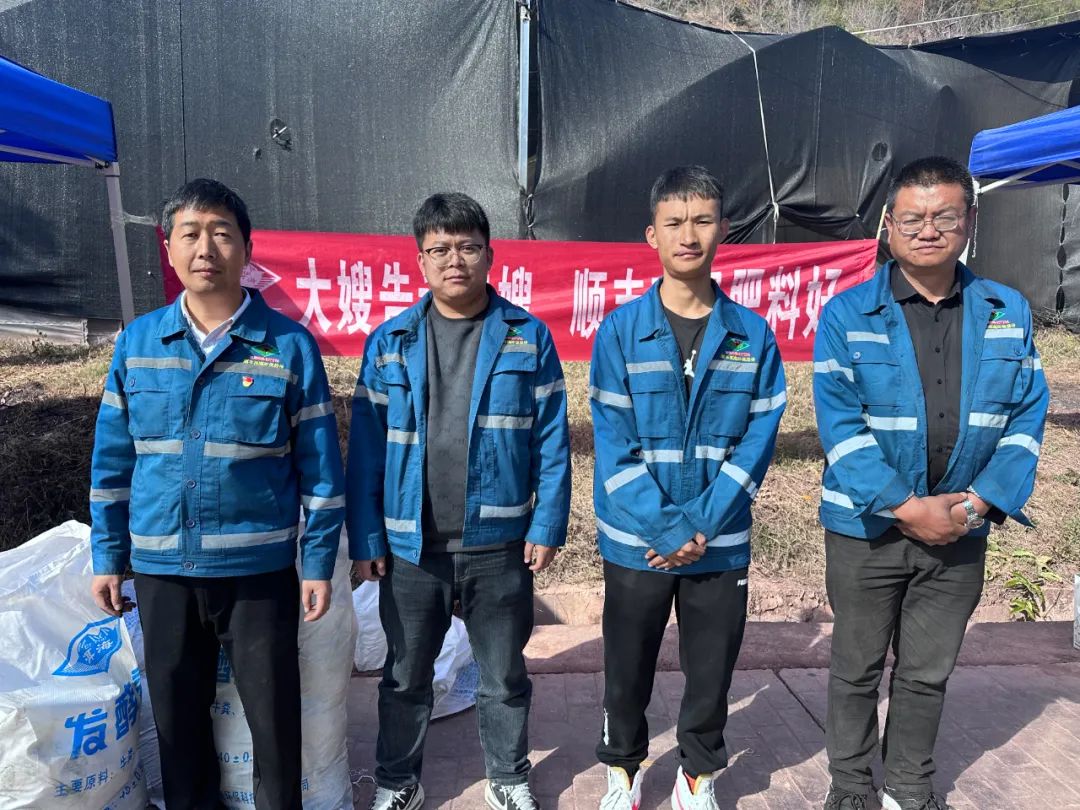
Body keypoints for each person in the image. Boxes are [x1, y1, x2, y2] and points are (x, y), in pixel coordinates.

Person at [89, 178, 345, 809]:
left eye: (222, 234)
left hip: (258, 572)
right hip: (162, 569)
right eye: (191, 234)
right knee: (177, 724)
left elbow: (320, 469)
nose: (206, 249)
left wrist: (316, 564)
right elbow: (112, 461)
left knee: (275, 723)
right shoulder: (138, 344)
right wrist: (108, 555)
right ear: (169, 249)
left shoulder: (288, 346)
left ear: (247, 250)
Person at [814, 156, 1049, 810]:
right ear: (888, 226)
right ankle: (850, 789)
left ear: (969, 222)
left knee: (926, 672)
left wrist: (978, 504)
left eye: (944, 216)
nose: (928, 230)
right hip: (866, 530)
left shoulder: (1006, 311)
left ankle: (909, 789)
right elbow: (840, 425)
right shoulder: (848, 314)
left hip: (961, 528)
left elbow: (1026, 417)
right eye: (912, 218)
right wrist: (906, 506)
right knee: (856, 670)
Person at [346, 192, 571, 810]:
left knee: (503, 675)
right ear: (420, 261)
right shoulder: (389, 342)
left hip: (498, 544)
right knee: (404, 676)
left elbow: (552, 441)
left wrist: (547, 522)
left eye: (468, 247)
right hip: (411, 546)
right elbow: (365, 451)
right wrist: (367, 538)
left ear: (490, 255)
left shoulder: (527, 337)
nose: (455, 260)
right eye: (439, 249)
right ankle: (397, 782)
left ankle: (509, 777)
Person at [589, 166, 787, 810]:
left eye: (702, 220)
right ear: (652, 234)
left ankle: (697, 776)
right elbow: (613, 444)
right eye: (673, 222)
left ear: (723, 229)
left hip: (718, 543)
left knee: (711, 671)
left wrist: (699, 525)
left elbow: (757, 441)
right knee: (627, 668)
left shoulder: (752, 335)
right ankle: (623, 768)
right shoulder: (620, 332)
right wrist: (668, 528)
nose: (688, 235)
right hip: (637, 542)